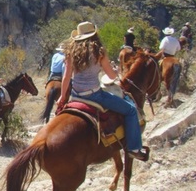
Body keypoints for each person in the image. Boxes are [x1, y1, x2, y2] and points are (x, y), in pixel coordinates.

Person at [57, 21, 148, 161]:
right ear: (94, 35)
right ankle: (134, 148)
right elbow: (111, 76)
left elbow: (66, 77)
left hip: (75, 96)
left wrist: (63, 98)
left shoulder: (71, 52)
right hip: (94, 95)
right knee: (130, 110)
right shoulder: (99, 51)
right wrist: (116, 70)